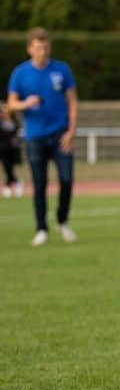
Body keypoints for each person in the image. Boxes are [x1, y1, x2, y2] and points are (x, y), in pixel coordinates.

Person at [6, 27, 78, 246]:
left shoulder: (62, 70)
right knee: (40, 183)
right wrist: (25, 103)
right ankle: (41, 228)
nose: (42, 51)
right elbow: (10, 104)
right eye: (38, 47)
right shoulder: (20, 73)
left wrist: (71, 131)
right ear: (30, 49)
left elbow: (72, 102)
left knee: (66, 180)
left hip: (60, 135)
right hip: (34, 136)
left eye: (45, 46)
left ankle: (62, 221)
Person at [0, 104, 24, 198]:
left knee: (10, 168)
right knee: (7, 168)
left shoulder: (14, 123)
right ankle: (14, 183)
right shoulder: (1, 123)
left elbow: (18, 136)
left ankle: (9, 185)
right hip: (3, 150)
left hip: (13, 150)